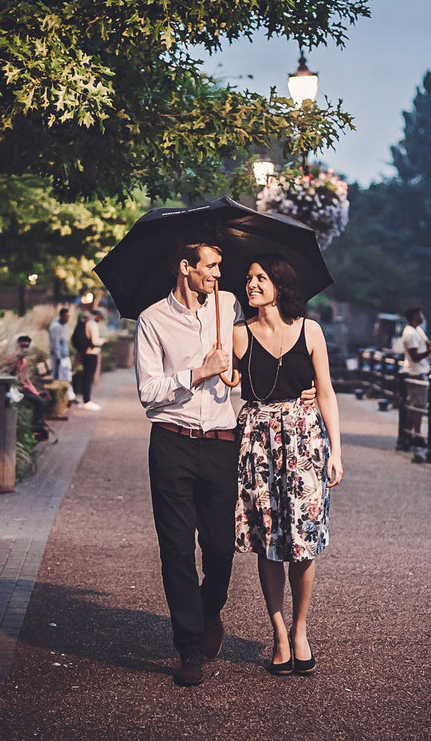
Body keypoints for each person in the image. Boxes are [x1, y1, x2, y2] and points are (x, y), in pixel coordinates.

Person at [134, 241, 243, 687]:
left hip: (221, 443)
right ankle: (189, 649)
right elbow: (149, 390)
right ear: (186, 267)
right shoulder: (152, 320)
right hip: (172, 443)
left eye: (219, 266)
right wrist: (199, 370)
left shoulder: (229, 305)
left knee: (220, 548)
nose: (217, 274)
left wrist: (303, 388)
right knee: (177, 549)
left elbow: (255, 358)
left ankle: (207, 611)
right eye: (211, 266)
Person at [231, 254, 343, 676]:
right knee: (268, 539)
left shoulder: (309, 330)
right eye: (248, 278)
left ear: (280, 283)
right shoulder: (239, 334)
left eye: (260, 277)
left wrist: (337, 449)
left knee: (303, 539)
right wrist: (226, 374)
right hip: (258, 443)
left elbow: (327, 393)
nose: (252, 284)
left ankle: (300, 629)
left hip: (304, 442)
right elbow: (228, 388)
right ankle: (277, 630)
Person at [400, 304, 431, 449]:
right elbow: (415, 357)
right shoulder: (409, 333)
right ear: (415, 316)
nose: (423, 316)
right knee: (417, 406)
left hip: (421, 373)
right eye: (421, 314)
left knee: (418, 405)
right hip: (415, 373)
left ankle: (412, 434)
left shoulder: (418, 330)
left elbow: (428, 344)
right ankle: (415, 435)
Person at [1, 335, 48, 432]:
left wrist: (36, 392)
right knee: (40, 402)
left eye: (27, 346)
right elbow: (4, 375)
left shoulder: (24, 361)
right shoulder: (11, 360)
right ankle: (33, 427)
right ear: (17, 346)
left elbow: (26, 381)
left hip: (22, 390)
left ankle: (36, 425)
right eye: (22, 346)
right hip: (13, 391)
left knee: (43, 398)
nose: (24, 349)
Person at [73, 307, 105, 411]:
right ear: (98, 316)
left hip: (85, 353)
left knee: (86, 376)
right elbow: (95, 341)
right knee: (88, 377)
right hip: (91, 354)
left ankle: (85, 399)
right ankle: (87, 400)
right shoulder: (93, 324)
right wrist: (103, 341)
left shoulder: (85, 321)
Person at [47, 307, 75, 396]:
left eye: (68, 316)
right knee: (60, 377)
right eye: (66, 316)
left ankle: (69, 396)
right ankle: (63, 396)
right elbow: (55, 343)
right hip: (59, 357)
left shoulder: (65, 326)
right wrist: (58, 357)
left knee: (67, 376)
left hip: (65, 355)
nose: (68, 319)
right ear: (61, 316)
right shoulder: (55, 327)